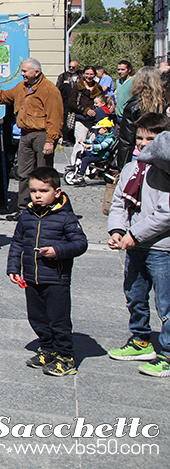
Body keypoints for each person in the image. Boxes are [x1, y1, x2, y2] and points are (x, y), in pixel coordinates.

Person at [105, 115, 170, 376]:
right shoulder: (132, 168)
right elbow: (120, 202)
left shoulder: (164, 171)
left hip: (161, 247)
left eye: (150, 140)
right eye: (140, 138)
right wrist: (119, 231)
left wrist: (136, 233)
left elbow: (165, 213)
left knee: (165, 304)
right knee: (135, 295)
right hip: (135, 246)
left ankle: (167, 352)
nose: (143, 144)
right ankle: (141, 340)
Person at [8, 166, 87, 376]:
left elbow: (80, 243)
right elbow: (17, 242)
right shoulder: (28, 215)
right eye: (33, 191)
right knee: (37, 317)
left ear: (57, 192)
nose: (37, 195)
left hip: (56, 278)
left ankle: (65, 356)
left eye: (43, 191)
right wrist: (13, 267)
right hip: (32, 277)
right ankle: (48, 348)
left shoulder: (66, 217)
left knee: (58, 319)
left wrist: (57, 251)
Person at [0, 58, 63, 218]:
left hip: (42, 135)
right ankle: (24, 209)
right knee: (24, 173)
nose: (22, 74)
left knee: (43, 175)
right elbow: (5, 97)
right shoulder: (22, 87)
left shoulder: (49, 90)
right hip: (25, 135)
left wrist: (51, 140)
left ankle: (46, 208)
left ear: (36, 72)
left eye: (25, 71)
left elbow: (56, 117)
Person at [110, 67, 165, 216]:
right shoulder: (164, 103)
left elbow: (127, 139)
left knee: (137, 195)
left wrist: (122, 166)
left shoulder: (133, 104)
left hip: (139, 154)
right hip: (163, 153)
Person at [65, 65, 102, 163]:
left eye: (91, 74)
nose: (89, 76)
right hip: (81, 120)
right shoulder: (77, 87)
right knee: (80, 143)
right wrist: (85, 110)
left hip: (94, 122)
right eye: (87, 74)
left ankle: (88, 167)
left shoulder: (98, 88)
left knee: (93, 145)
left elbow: (103, 101)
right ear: (83, 74)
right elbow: (71, 104)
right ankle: (75, 165)